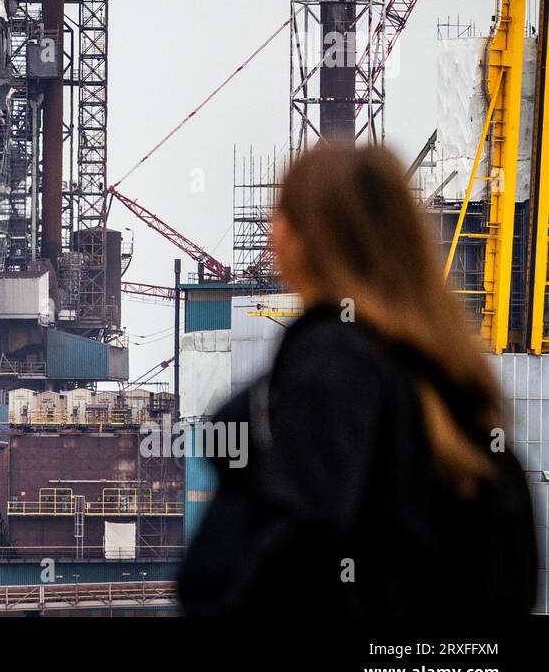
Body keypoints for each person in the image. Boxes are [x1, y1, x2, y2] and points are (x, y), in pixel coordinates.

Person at [177, 142, 537, 615]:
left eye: (278, 216)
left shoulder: (335, 360)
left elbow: (303, 545)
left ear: (297, 238)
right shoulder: (448, 378)